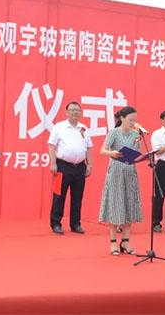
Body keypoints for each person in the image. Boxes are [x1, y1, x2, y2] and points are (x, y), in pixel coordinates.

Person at [99, 106, 143, 256]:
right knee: (115, 205)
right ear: (122, 118)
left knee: (129, 204)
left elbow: (137, 153)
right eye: (130, 120)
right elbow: (102, 150)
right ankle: (113, 242)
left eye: (134, 120)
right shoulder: (114, 133)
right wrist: (113, 153)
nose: (133, 123)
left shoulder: (135, 134)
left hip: (130, 172)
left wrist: (140, 153)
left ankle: (125, 241)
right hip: (116, 173)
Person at [48, 101, 93, 235]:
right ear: (66, 112)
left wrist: (89, 164)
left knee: (77, 197)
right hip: (63, 166)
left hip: (80, 167)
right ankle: (56, 223)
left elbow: (89, 147)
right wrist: (53, 163)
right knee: (59, 196)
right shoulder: (59, 127)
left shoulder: (83, 128)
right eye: (72, 110)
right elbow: (52, 145)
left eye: (77, 110)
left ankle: (75, 224)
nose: (75, 113)